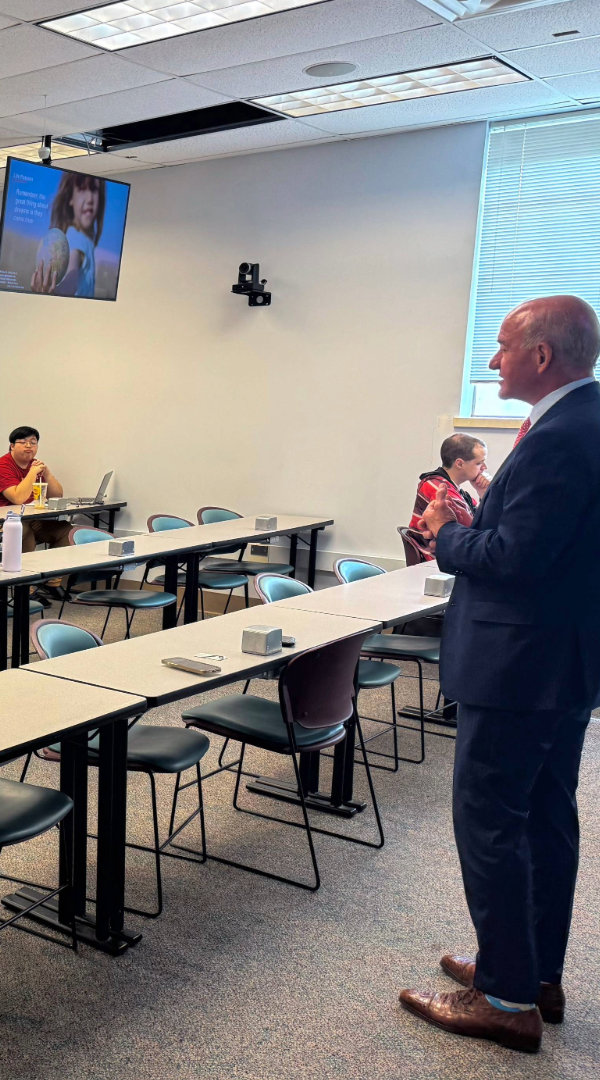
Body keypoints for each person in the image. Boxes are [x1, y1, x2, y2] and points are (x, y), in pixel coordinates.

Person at [400, 296, 600, 1053]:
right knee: (544, 817)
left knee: (491, 821)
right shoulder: (583, 421)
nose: (493, 360)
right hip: (564, 663)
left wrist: (448, 533)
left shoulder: (560, 435)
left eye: (504, 345)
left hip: (520, 666)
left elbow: (514, 559)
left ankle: (507, 997)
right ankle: (532, 970)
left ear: (543, 356)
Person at [0, 426, 70, 600]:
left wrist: (48, 474)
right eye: (23, 442)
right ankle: (25, 586)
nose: (29, 446)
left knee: (65, 530)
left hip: (27, 517)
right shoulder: (2, 466)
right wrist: (32, 473)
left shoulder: (34, 465)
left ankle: (51, 582)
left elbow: (57, 495)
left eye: (33, 442)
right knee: (23, 532)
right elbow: (18, 498)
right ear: (12, 446)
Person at [408, 434, 489, 559]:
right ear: (460, 464)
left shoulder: (456, 489)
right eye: (479, 463)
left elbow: (479, 524)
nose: (485, 468)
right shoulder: (439, 488)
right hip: (436, 560)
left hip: (451, 556)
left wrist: (483, 493)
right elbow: (474, 532)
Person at [32, 174, 105, 298]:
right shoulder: (76, 239)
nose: (89, 199)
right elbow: (71, 278)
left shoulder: (84, 239)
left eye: (93, 190)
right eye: (82, 189)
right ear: (70, 198)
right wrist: (59, 291)